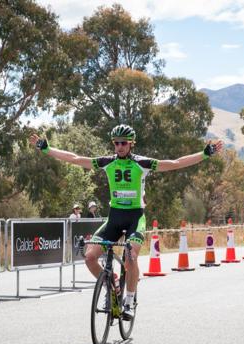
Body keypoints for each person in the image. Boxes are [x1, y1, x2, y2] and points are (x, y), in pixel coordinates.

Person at [30, 124, 223, 320]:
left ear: (131, 144)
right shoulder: (107, 162)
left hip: (135, 218)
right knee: (89, 257)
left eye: (123, 143)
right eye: (116, 143)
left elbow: (174, 163)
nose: (119, 146)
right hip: (114, 217)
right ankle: (111, 286)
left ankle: (129, 302)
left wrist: (205, 153)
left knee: (131, 257)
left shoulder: (142, 163)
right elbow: (75, 159)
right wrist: (46, 148)